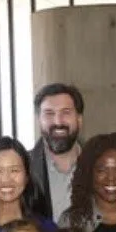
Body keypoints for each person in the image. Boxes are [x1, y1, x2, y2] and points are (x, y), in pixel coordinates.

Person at [28, 83, 84, 223]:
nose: (58, 122)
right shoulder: (22, 168)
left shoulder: (99, 166)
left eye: (66, 112)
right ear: (39, 120)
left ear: (79, 119)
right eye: (49, 114)